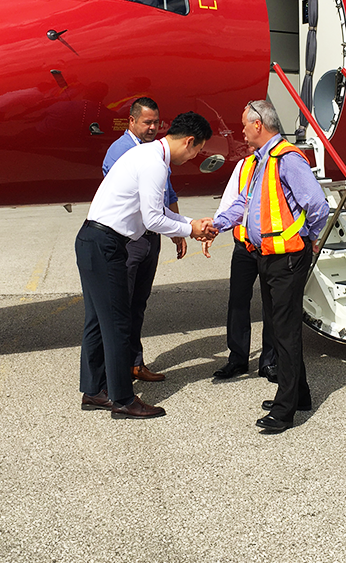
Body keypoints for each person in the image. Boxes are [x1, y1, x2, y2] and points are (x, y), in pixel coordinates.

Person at [77, 111, 215, 419]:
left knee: (98, 321)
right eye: (197, 150)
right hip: (105, 244)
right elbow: (153, 219)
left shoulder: (147, 154)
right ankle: (123, 400)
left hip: (93, 241)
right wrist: (191, 229)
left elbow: (155, 210)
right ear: (190, 142)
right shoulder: (155, 163)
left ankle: (94, 391)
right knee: (116, 323)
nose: (194, 157)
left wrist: (190, 222)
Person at [212, 100, 329, 433]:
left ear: (259, 124)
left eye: (244, 125)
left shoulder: (288, 159)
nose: (241, 131)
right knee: (282, 328)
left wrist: (310, 238)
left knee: (285, 330)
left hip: (287, 257)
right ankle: (299, 395)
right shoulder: (258, 162)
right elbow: (243, 204)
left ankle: (284, 409)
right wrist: (216, 224)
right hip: (267, 255)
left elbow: (317, 204)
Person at [103, 96, 185, 383]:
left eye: (156, 123)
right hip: (129, 239)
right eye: (147, 122)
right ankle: (115, 372)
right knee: (120, 306)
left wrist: (176, 229)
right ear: (132, 121)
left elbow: (168, 193)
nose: (152, 128)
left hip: (151, 238)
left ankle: (135, 363)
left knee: (138, 303)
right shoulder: (120, 151)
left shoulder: (156, 154)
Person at [212, 131, 277, 382]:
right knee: (238, 303)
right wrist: (214, 229)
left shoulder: (281, 164)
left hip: (271, 248)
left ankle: (269, 361)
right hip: (244, 248)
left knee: (272, 305)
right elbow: (230, 203)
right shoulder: (244, 165)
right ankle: (237, 359)